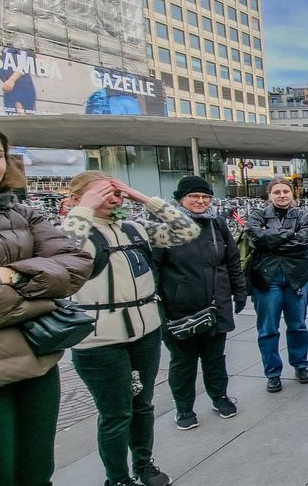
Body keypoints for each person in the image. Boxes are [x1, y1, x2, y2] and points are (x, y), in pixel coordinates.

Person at [61, 171, 200, 486]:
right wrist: (83, 207)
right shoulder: (72, 231)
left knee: (142, 405)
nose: (113, 199)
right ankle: (117, 478)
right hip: (99, 341)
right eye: (101, 194)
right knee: (116, 413)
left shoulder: (134, 227)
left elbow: (187, 229)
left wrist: (141, 197)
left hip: (145, 332)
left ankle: (143, 464)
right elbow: (65, 252)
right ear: (76, 199)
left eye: (116, 193)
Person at [0, 126, 93, 486]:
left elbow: (76, 264)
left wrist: (10, 276)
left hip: (36, 364)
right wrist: (42, 298)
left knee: (37, 472)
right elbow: (56, 276)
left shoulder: (21, 213)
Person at [153, 176, 247, 431]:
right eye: (194, 196)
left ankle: (219, 397)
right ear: (180, 199)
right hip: (180, 308)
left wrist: (239, 292)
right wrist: (161, 307)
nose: (200, 201)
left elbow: (232, 261)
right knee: (183, 361)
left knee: (215, 357)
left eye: (205, 196)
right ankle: (184, 408)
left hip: (216, 303)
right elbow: (155, 269)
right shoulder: (165, 226)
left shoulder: (217, 223)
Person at [246, 178, 308, 393]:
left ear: (292, 193)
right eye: (277, 192)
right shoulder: (257, 215)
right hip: (267, 279)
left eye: (286, 191)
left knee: (298, 325)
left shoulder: (303, 216)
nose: (282, 195)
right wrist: (288, 234)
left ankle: (300, 365)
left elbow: (303, 243)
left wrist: (271, 240)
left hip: (297, 277)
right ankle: (273, 372)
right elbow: (256, 238)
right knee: (267, 329)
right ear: (269, 195)